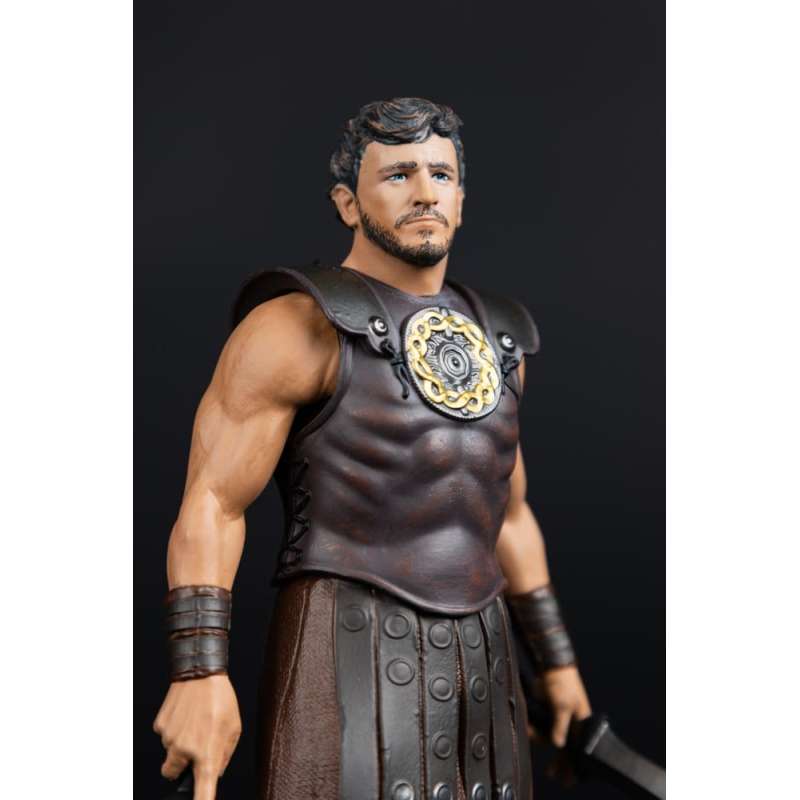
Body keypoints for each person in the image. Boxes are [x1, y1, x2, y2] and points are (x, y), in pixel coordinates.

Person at [153, 97, 592, 800]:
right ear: (347, 203)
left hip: (484, 660)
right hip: (344, 646)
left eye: (441, 175)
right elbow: (212, 502)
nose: (425, 192)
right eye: (397, 174)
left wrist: (558, 662)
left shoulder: (498, 340)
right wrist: (199, 673)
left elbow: (507, 515)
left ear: (461, 199)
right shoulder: (295, 328)